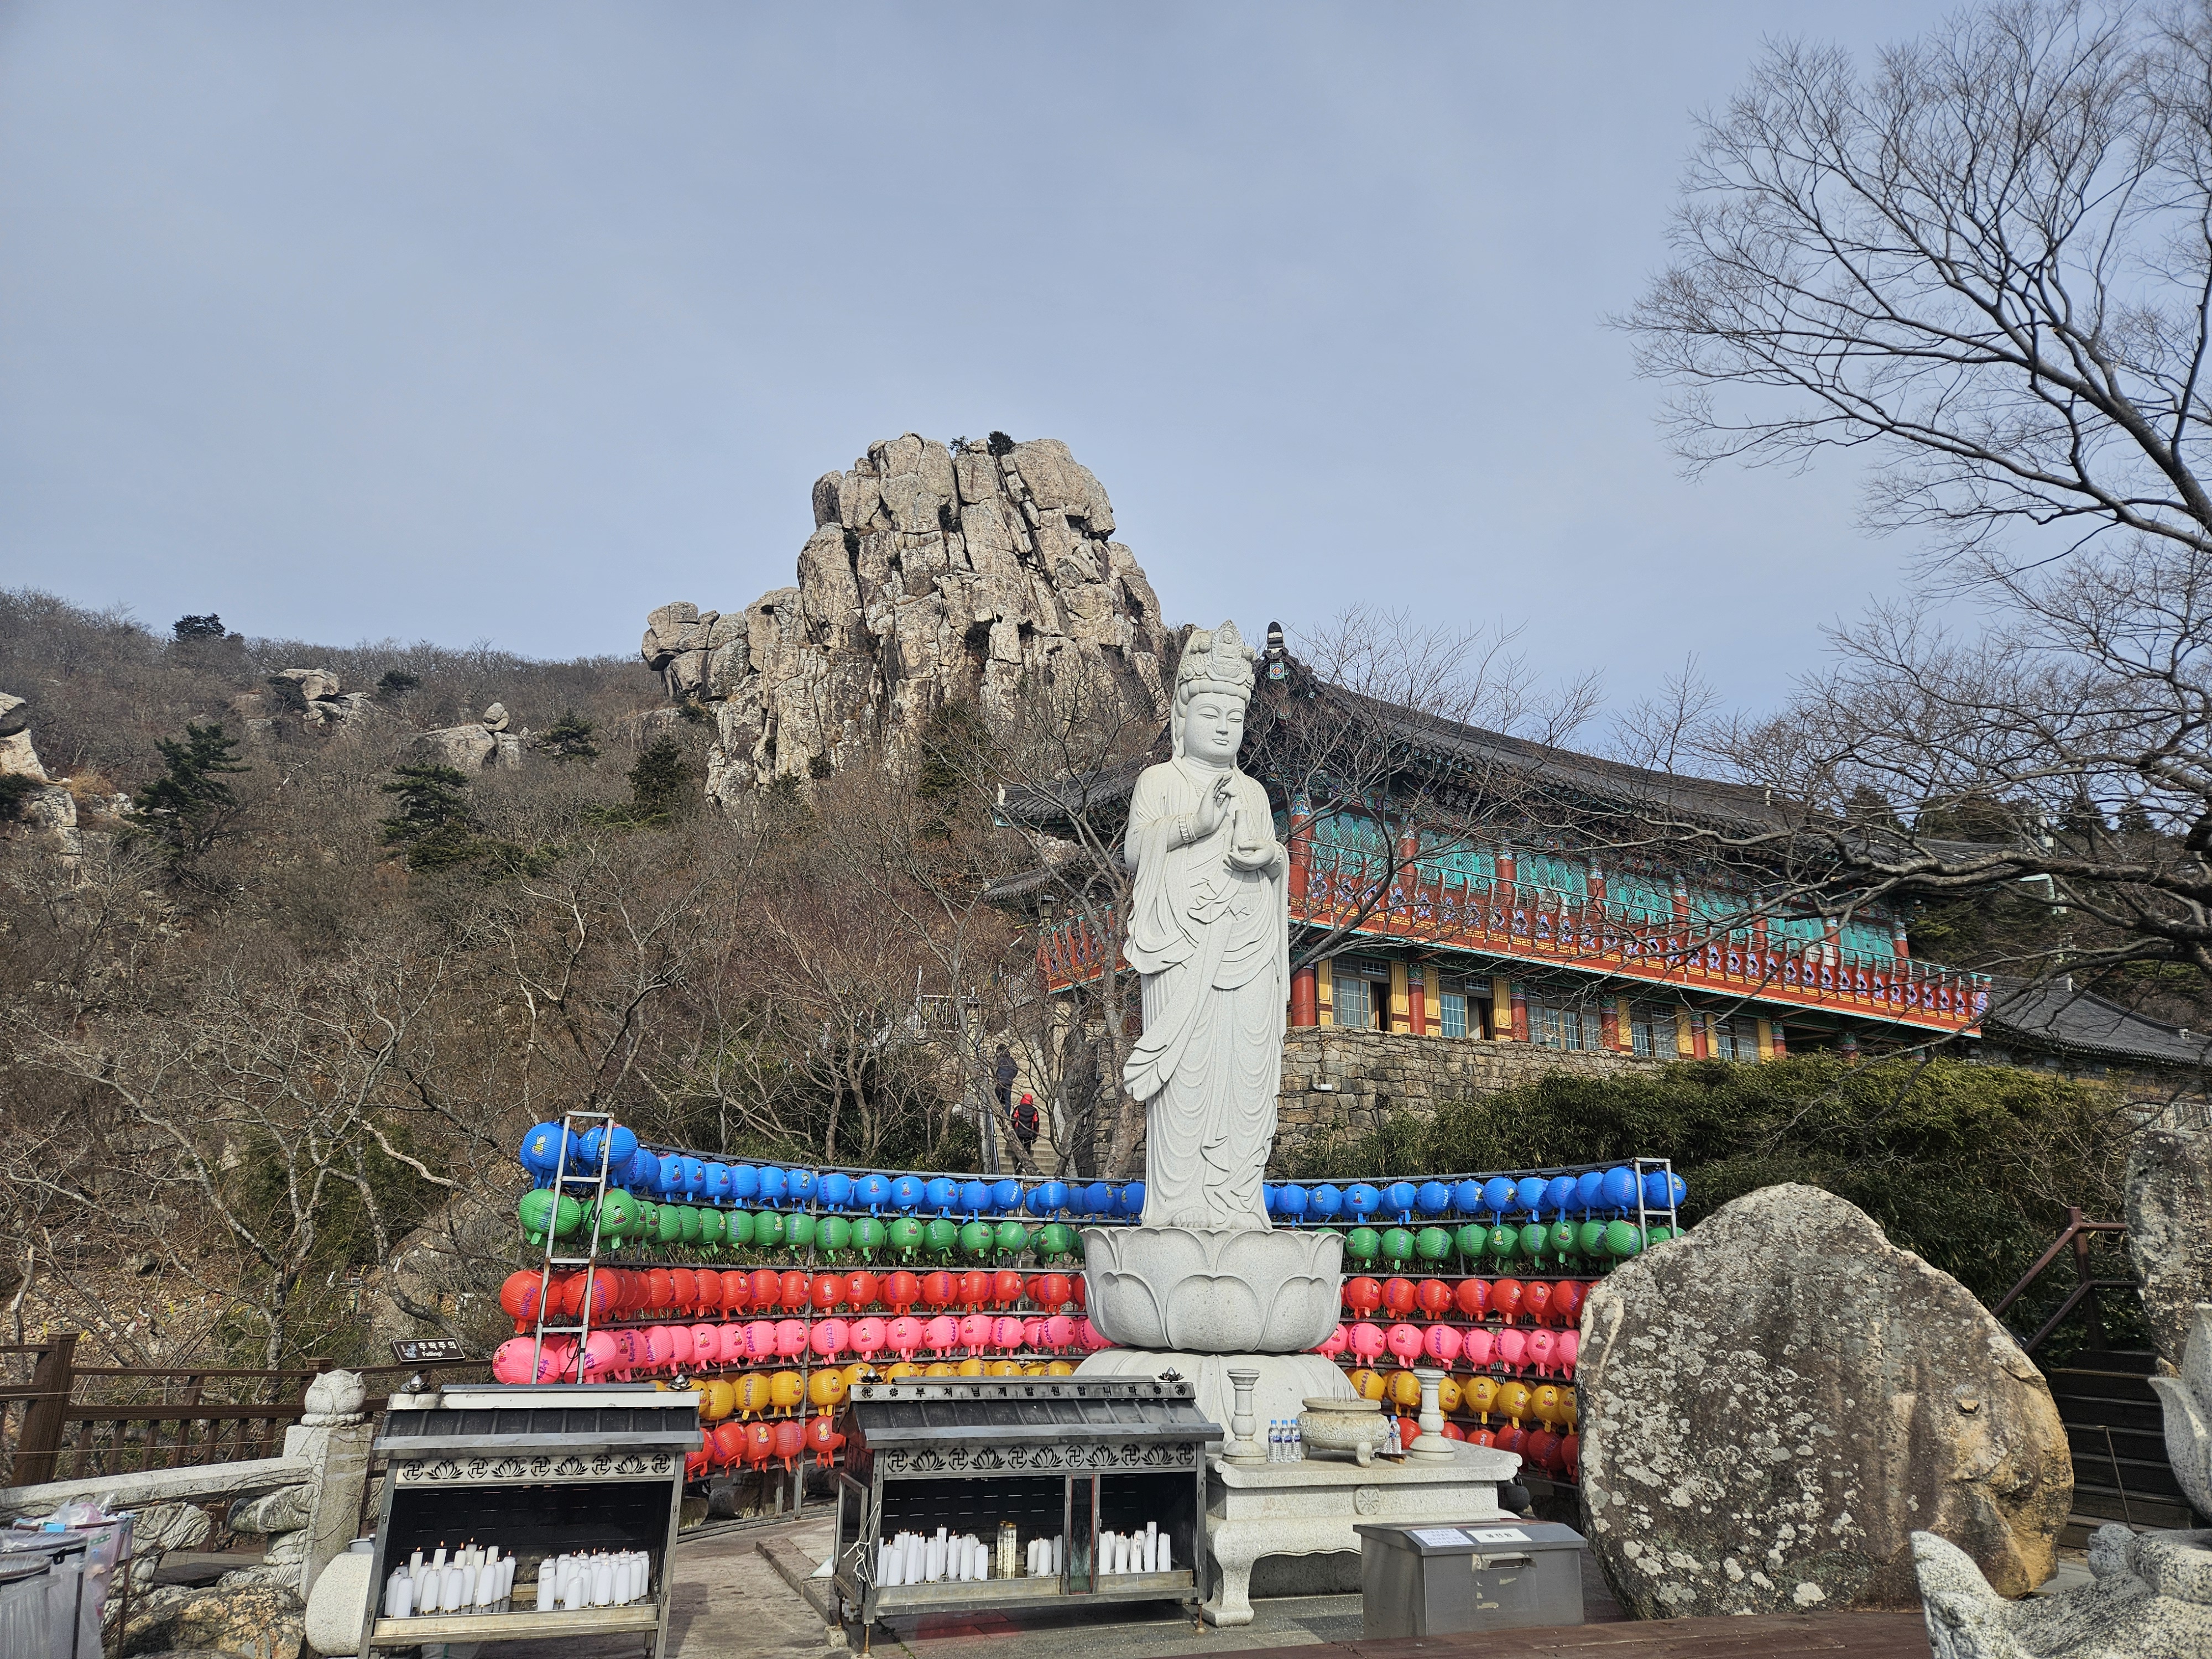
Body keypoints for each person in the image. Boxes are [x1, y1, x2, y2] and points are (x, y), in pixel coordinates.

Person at [1119, 622, 1288, 1233]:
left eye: (1234, 717)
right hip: (1181, 942)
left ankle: (1237, 1196)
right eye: (1210, 714)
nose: (1223, 727)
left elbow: (1274, 861)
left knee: (1245, 1075)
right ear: (1181, 717)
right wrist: (1195, 825)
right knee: (1187, 1075)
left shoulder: (1255, 793)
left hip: (1246, 945)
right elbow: (1135, 851)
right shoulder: (1159, 781)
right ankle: (1178, 1201)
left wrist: (1271, 859)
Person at [1011, 1092, 1040, 1159]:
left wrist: (1012, 1129)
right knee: (1027, 1148)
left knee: (1019, 1147)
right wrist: (1035, 1134)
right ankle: (1026, 1161)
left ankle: (1019, 1161)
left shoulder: (1018, 1108)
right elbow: (1036, 1122)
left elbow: (1014, 1119)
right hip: (1029, 1132)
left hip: (1018, 1131)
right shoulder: (1034, 1110)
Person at [993, 1043, 1016, 1111]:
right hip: (1008, 1082)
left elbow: (993, 1068)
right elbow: (1016, 1070)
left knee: (996, 1098)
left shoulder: (998, 1058)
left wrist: (996, 1077)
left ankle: (996, 1112)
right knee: (1007, 1100)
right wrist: (1010, 1078)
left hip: (1000, 1082)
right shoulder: (1011, 1060)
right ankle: (1007, 1115)